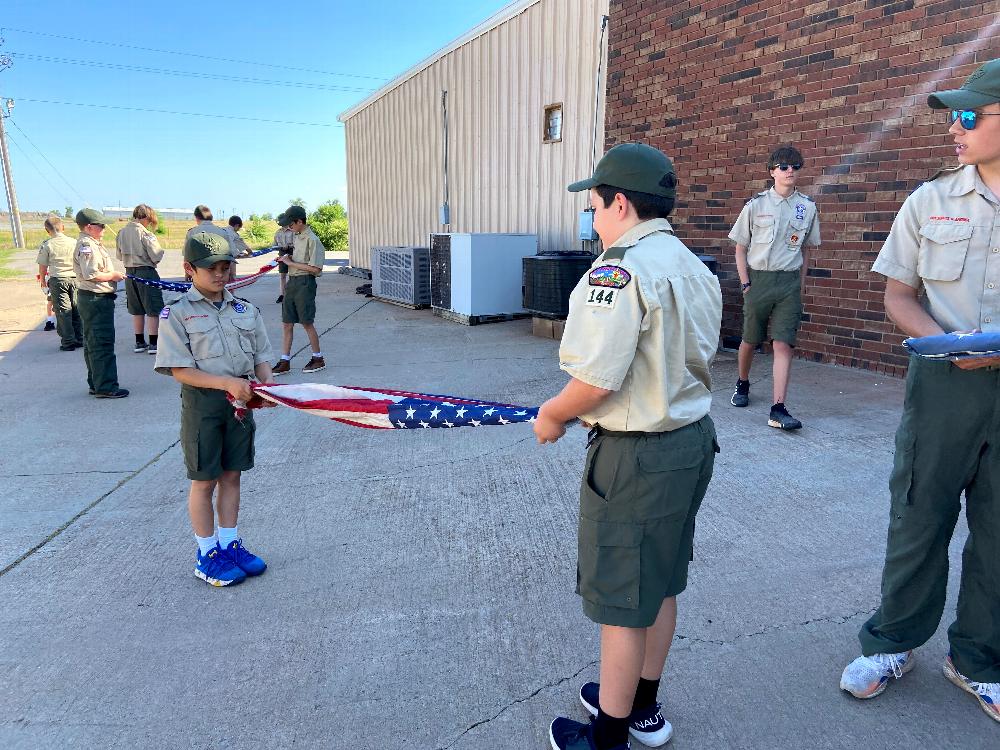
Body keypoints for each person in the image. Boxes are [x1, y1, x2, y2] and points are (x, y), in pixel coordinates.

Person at [535, 143, 722, 750]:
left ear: (620, 202)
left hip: (636, 455)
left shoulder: (618, 272)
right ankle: (641, 703)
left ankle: (608, 734)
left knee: (621, 598)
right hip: (689, 443)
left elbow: (594, 381)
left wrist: (553, 415)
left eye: (594, 205)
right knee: (660, 580)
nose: (592, 220)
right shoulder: (693, 265)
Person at [840, 58, 1000, 724]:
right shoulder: (929, 200)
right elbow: (897, 295)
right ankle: (894, 642)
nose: (954, 130)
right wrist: (945, 341)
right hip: (943, 386)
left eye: (969, 116)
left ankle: (978, 660)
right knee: (918, 517)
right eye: (951, 118)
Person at [154, 231, 275, 587]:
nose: (221, 275)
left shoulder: (245, 309)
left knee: (232, 475)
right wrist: (226, 384)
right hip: (204, 404)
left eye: (226, 267)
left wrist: (266, 388)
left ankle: (229, 543)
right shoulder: (177, 314)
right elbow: (179, 370)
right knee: (205, 481)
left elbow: (261, 355)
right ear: (190, 269)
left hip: (240, 401)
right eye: (212, 269)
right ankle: (206, 554)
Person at [727, 145, 821, 430]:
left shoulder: (807, 207)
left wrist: (800, 284)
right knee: (750, 339)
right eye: (783, 166)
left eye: (794, 166)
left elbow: (807, 249)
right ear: (772, 172)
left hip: (789, 283)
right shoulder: (755, 206)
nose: (789, 170)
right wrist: (746, 284)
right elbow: (740, 248)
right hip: (759, 280)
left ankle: (778, 408)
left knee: (783, 343)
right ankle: (742, 383)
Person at [73, 208, 128, 398]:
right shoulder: (87, 245)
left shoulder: (91, 242)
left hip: (93, 298)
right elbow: (92, 274)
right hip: (95, 299)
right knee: (101, 343)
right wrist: (112, 275)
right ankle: (105, 386)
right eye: (101, 225)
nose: (104, 229)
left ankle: (96, 382)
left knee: (92, 343)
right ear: (89, 227)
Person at [273, 205, 326, 375]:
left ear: (300, 221)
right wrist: (286, 258)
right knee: (287, 322)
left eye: (291, 224)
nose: (289, 227)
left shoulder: (313, 240)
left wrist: (291, 263)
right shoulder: (297, 236)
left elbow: (316, 269)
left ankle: (318, 358)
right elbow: (297, 259)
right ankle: (285, 360)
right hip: (292, 282)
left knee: (306, 322)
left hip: (305, 283)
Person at [116, 204, 166, 355]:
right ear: (146, 218)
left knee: (136, 309)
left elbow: (119, 256)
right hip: (146, 273)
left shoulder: (121, 233)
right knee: (152, 309)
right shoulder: (146, 234)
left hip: (129, 273)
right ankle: (153, 343)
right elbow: (156, 255)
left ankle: (139, 342)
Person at [36, 215, 83, 350]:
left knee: (63, 311)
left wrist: (43, 283)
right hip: (75, 279)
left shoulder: (47, 245)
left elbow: (43, 267)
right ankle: (80, 338)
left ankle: (68, 341)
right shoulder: (74, 242)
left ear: (47, 230)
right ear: (63, 227)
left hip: (58, 280)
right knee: (77, 308)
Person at [273, 212, 294, 304]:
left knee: (293, 275)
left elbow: (298, 243)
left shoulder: (293, 231)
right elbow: (274, 245)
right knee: (282, 275)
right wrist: (279, 247)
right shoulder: (278, 232)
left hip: (292, 252)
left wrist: (289, 246)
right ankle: (282, 295)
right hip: (282, 253)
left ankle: (292, 295)